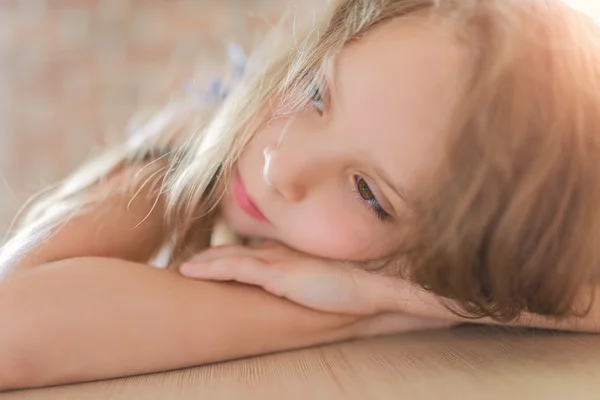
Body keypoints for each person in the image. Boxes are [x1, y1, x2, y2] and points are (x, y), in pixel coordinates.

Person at [2, 0, 600, 390]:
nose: (278, 161)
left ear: (453, 252)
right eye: (316, 92)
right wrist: (374, 308)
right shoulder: (202, 129)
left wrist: (389, 294)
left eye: (368, 193)